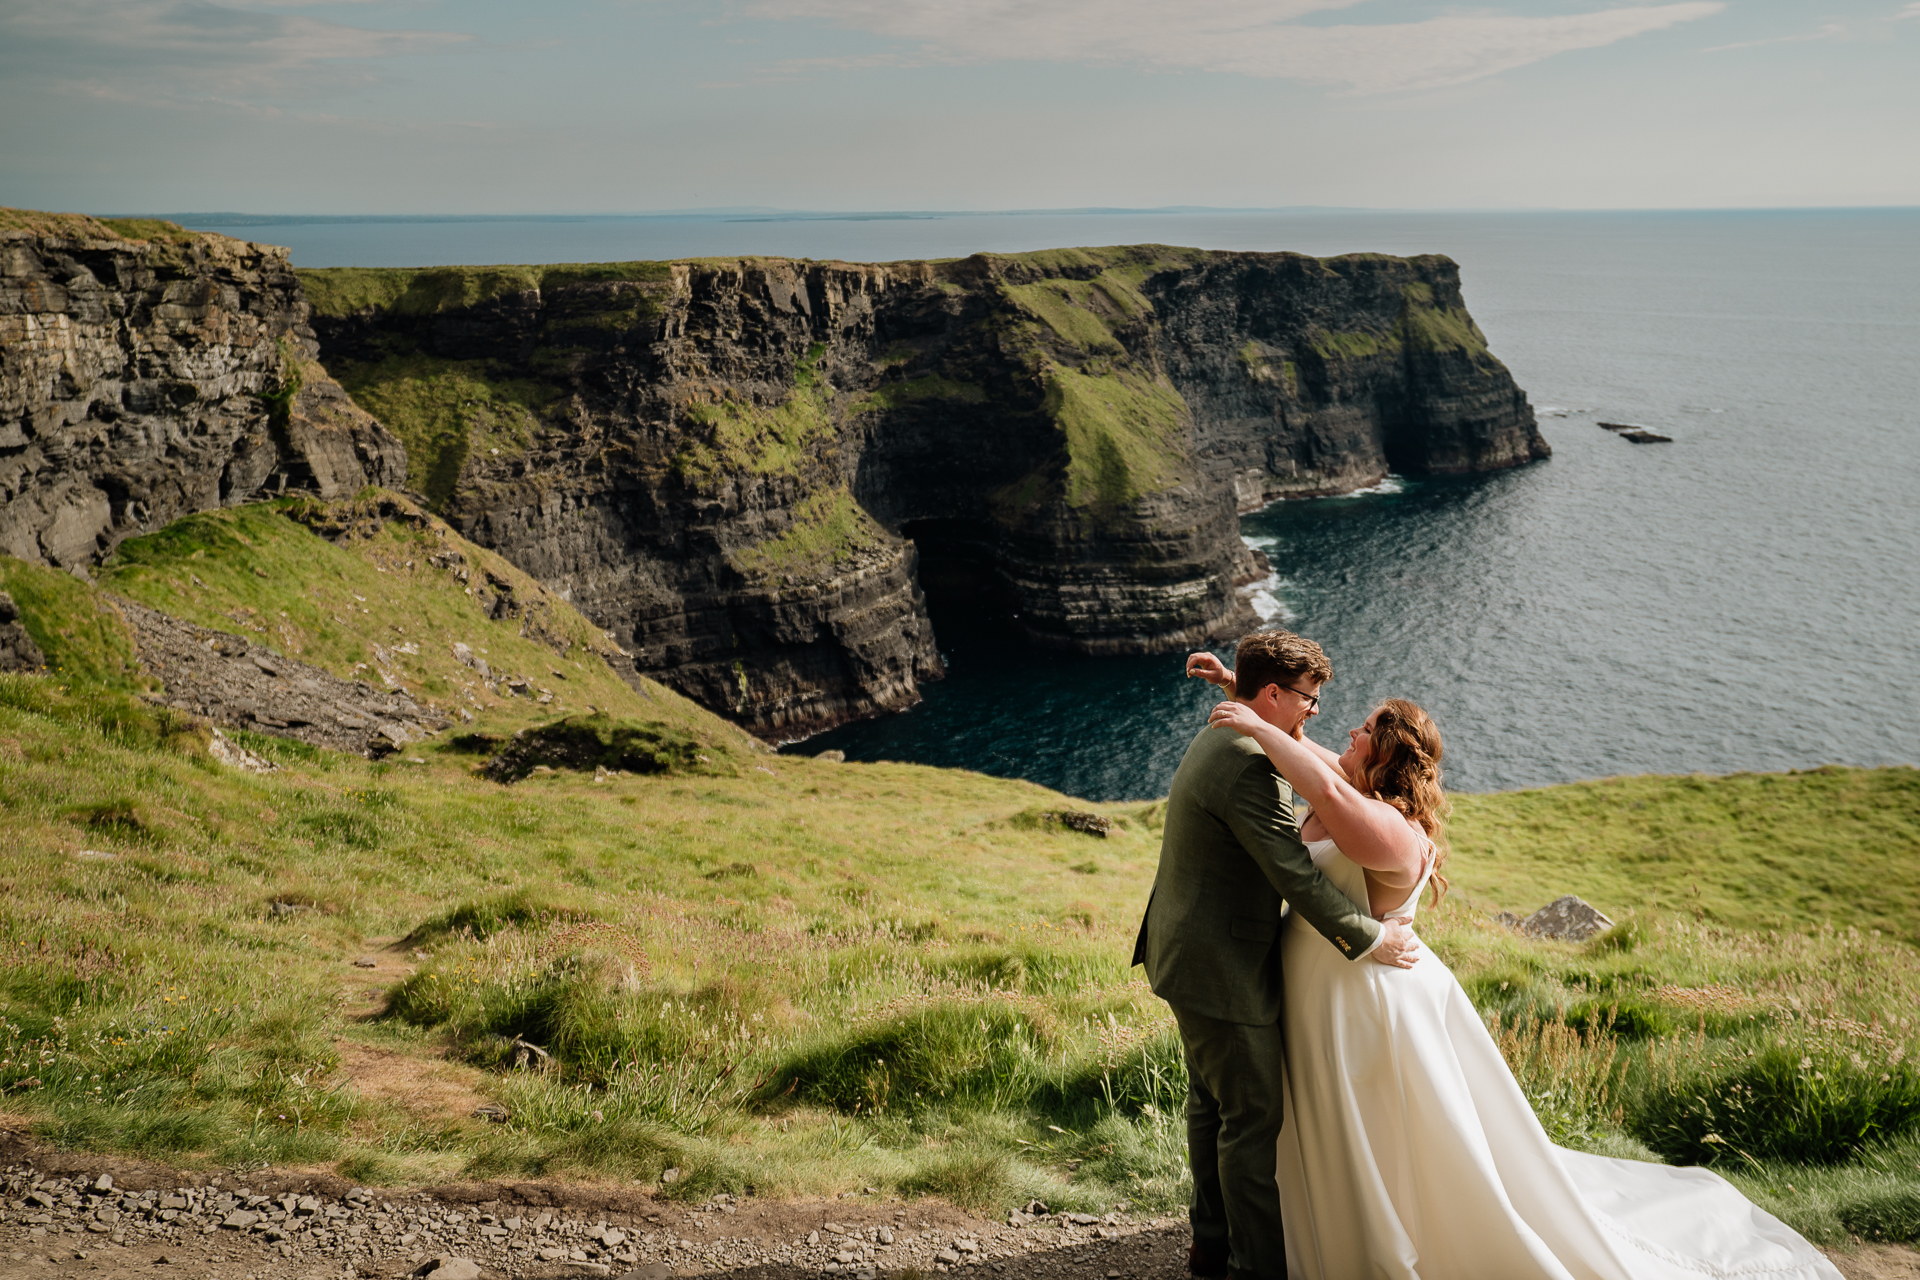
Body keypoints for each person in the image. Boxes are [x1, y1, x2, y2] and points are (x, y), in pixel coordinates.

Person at [1192, 653, 1844, 1280]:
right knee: (1332, 1123)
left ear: (1386, 760)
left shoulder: (1387, 828)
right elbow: (1318, 762)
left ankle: (1386, 1244)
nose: (1348, 734)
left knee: (1377, 1133)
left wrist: (1257, 725)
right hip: (1323, 982)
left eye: (1363, 731)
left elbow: (1322, 789)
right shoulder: (1357, 785)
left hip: (1361, 998)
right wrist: (1248, 697)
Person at [1132, 630, 1423, 1280]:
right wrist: (1375, 939)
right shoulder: (1250, 768)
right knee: (1251, 1120)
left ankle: (1210, 1244)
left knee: (1211, 1106)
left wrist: (1231, 690)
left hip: (1187, 954)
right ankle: (1254, 1267)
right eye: (1309, 699)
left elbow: (1301, 752)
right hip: (1223, 973)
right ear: (1273, 693)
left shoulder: (1235, 733)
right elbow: (1297, 877)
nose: (1317, 712)